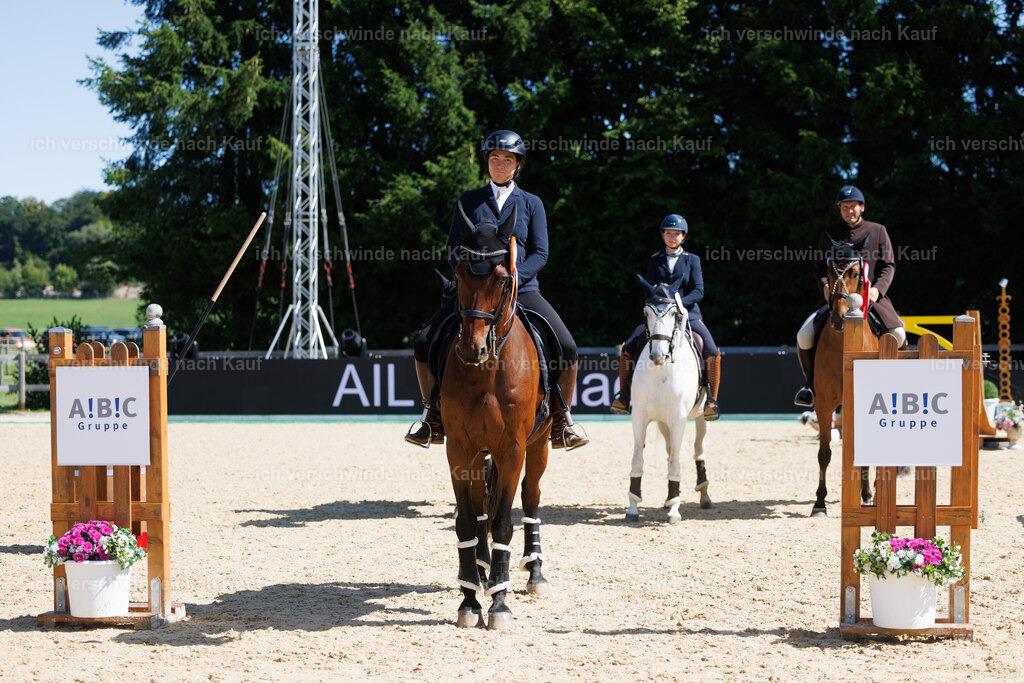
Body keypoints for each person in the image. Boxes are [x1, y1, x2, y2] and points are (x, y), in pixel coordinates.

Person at [406, 129, 589, 450]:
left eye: (507, 159)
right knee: (423, 341)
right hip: (475, 293)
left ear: (518, 165)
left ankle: (562, 420)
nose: (500, 164)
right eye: (494, 158)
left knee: (568, 346)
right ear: (487, 162)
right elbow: (453, 249)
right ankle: (431, 415)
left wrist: (514, 278)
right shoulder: (469, 201)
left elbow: (541, 252)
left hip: (522, 289)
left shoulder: (532, 203)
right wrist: (469, 277)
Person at [793, 185, 906, 407]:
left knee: (899, 335)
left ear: (862, 207)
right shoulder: (828, 234)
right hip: (837, 300)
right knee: (803, 336)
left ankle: (898, 385)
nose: (849, 211)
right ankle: (810, 385)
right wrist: (825, 286)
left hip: (872, 300)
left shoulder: (878, 230)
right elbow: (818, 268)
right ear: (840, 209)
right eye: (844, 207)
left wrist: (877, 290)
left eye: (853, 206)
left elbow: (889, 265)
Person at [610, 214, 721, 421]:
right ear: (663, 235)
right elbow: (649, 289)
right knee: (628, 347)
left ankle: (711, 400)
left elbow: (698, 291)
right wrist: (658, 307)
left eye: (676, 234)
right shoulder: (655, 260)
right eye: (668, 233)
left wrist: (678, 304)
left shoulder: (692, 260)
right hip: (659, 316)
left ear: (683, 236)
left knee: (711, 350)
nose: (672, 237)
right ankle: (624, 396)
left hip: (688, 314)